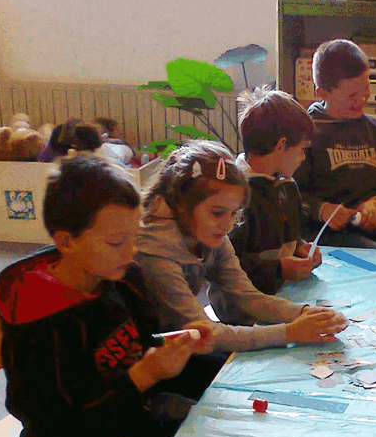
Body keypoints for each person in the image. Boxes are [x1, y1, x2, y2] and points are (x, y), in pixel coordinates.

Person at [0, 156, 215, 437]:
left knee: (215, 430)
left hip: (131, 405)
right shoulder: (38, 319)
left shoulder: (123, 276)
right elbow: (60, 424)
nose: (131, 252)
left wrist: (179, 344)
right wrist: (145, 374)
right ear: (66, 242)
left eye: (134, 237)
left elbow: (141, 343)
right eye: (116, 242)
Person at [135, 140, 348, 394]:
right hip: (148, 358)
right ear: (182, 205)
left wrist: (304, 312)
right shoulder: (156, 247)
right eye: (218, 213)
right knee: (253, 378)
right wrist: (290, 332)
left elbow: (245, 295)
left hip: (181, 346)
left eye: (234, 213)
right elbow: (204, 330)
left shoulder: (207, 228)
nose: (228, 224)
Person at [293, 39, 376, 250]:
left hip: (373, 233)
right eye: (352, 95)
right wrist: (321, 209)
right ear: (322, 93)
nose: (362, 100)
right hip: (323, 238)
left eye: (366, 89)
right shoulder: (305, 133)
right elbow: (288, 192)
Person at [230, 86, 321, 295]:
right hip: (247, 303)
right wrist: (279, 269)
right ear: (281, 146)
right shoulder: (236, 195)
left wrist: (300, 248)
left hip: (285, 292)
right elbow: (229, 266)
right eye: (301, 149)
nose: (303, 157)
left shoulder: (288, 187)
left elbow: (287, 238)